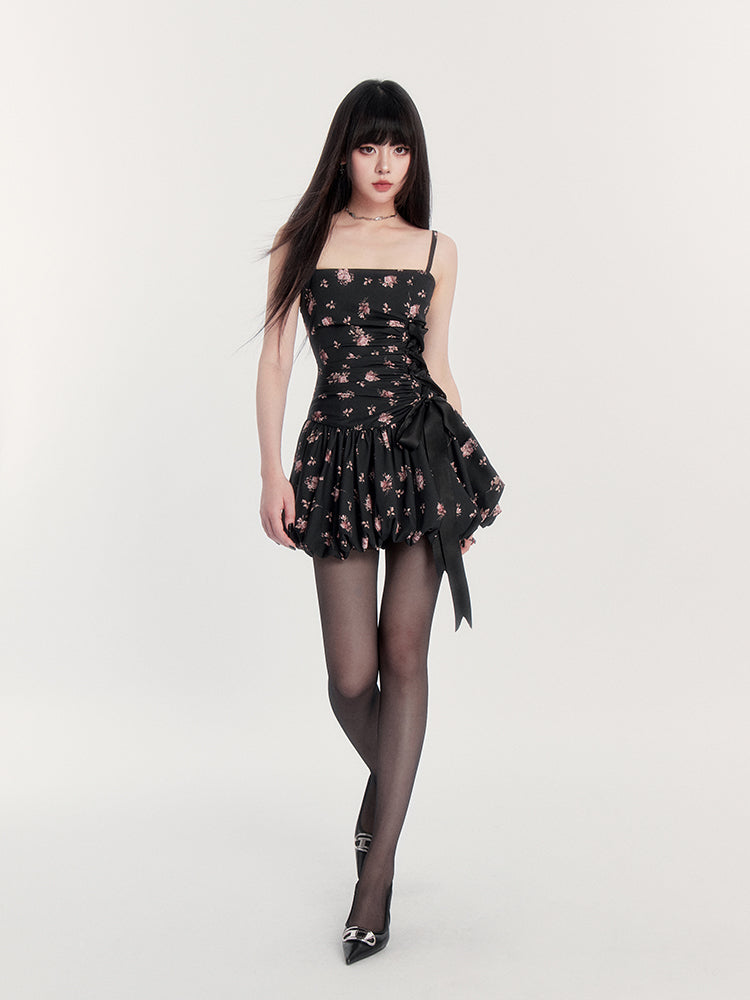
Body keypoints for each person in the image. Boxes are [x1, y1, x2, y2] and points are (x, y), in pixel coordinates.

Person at [255, 79, 504, 964]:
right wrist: (271, 471)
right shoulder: (302, 242)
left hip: (420, 458)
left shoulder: (436, 249)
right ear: (346, 153)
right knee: (351, 678)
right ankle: (387, 794)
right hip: (333, 462)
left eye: (399, 147)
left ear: (414, 157)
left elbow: (439, 365)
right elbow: (276, 362)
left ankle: (376, 877)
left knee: (405, 657)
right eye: (369, 146)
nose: (385, 163)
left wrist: (462, 485)